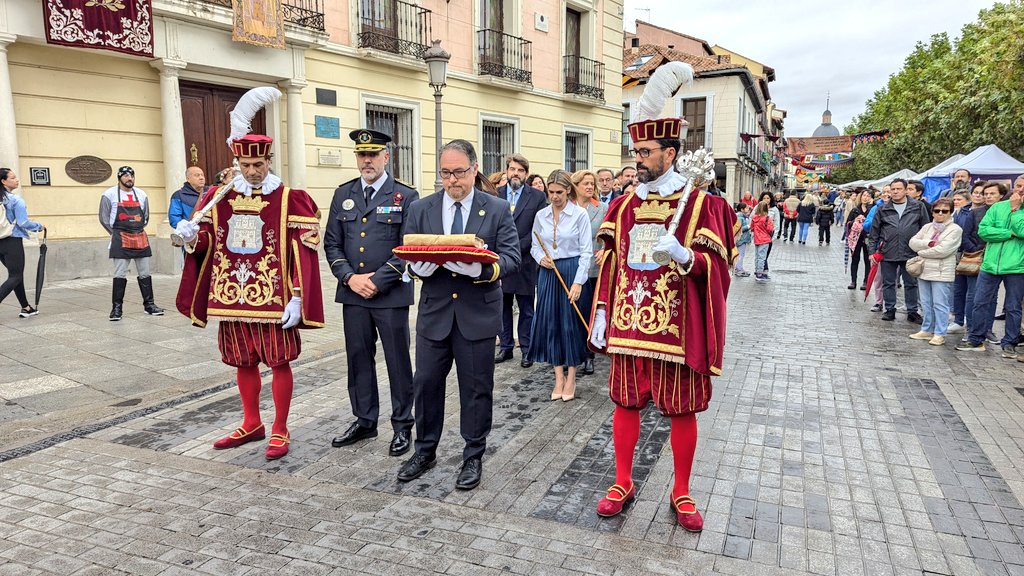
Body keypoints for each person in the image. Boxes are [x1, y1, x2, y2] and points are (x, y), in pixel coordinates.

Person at [590, 62, 737, 532]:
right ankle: (622, 481)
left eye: (647, 151)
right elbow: (611, 263)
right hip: (631, 329)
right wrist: (600, 312)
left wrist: (688, 257)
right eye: (635, 150)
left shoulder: (704, 205)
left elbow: (719, 269)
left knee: (682, 411)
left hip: (678, 330)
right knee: (625, 405)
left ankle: (682, 490)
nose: (638, 158)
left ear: (671, 153)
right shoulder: (623, 204)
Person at [174, 118, 325, 460]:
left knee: (279, 362)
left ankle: (281, 427)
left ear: (269, 160)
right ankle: (252, 422)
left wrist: (298, 296)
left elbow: (302, 249)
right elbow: (209, 244)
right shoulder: (218, 198)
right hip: (232, 297)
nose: (252, 171)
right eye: (245, 165)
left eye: (258, 164)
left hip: (273, 299)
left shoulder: (288, 198)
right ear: (236, 164)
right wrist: (192, 238)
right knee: (243, 362)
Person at [397, 139, 521, 491]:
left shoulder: (496, 209)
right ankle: (424, 450)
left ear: (474, 168)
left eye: (459, 172)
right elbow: (409, 249)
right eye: (445, 173)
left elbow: (512, 258)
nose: (452, 180)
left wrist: (479, 271)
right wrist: (416, 269)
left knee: (477, 387)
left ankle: (473, 454)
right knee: (426, 385)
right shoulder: (422, 208)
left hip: (476, 314)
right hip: (435, 313)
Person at [324, 128, 419, 457]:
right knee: (358, 359)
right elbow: (332, 243)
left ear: (386, 157)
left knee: (397, 361)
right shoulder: (343, 194)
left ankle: (403, 424)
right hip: (353, 295)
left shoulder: (405, 196)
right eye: (361, 155)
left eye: (373, 154)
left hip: (389, 295)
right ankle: (365, 420)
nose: (366, 160)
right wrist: (350, 278)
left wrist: (377, 280)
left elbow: (408, 248)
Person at [527, 170, 592, 401]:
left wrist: (578, 282)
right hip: (548, 273)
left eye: (559, 192)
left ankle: (572, 377)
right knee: (551, 324)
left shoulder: (579, 214)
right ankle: (558, 378)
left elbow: (587, 251)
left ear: (568, 191)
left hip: (571, 270)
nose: (554, 197)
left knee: (570, 324)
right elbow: (535, 245)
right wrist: (539, 258)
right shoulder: (541, 215)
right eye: (550, 192)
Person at [956, 181, 1024, 356]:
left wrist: (1015, 211)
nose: (1020, 190)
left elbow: (1022, 231)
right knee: (979, 302)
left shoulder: (1015, 208)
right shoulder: (997, 207)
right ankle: (976, 339)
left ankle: (1009, 343)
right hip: (989, 263)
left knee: (1013, 306)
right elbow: (984, 231)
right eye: (1018, 186)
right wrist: (1009, 233)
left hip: (1016, 266)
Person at [495, 154, 546, 368]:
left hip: (525, 261)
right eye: (512, 169)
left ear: (526, 173)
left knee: (526, 308)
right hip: (501, 261)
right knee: (502, 306)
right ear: (506, 170)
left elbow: (538, 229)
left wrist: (516, 247)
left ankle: (526, 349)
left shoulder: (536, 197)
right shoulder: (495, 195)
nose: (515, 173)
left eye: (520, 170)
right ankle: (506, 347)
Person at [99, 166, 164, 320]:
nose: (130, 179)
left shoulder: (141, 194)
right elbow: (104, 218)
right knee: (120, 273)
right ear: (119, 177)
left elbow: (146, 216)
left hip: (140, 236)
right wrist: (115, 233)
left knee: (145, 273)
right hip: (120, 237)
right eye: (126, 176)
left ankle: (149, 305)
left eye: (132, 176)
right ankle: (116, 309)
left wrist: (135, 228)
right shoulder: (109, 194)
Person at [868, 178, 930, 323]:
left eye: (898, 189)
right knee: (888, 283)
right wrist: (872, 252)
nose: (895, 192)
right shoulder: (882, 208)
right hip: (888, 251)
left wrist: (923, 249)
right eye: (892, 189)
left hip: (910, 252)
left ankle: (912, 311)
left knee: (911, 283)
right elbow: (874, 232)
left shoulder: (918, 206)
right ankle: (889, 309)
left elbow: (926, 228)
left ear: (905, 190)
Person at [907, 198, 962, 346]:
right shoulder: (927, 227)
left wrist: (922, 252)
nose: (940, 214)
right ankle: (927, 329)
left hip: (941, 271)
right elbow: (912, 242)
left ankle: (940, 332)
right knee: (926, 302)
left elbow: (944, 250)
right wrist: (928, 244)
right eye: (937, 210)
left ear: (950, 212)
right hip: (924, 270)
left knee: (940, 304)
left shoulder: (955, 229)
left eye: (945, 211)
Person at [572, 169, 609, 376]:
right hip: (573, 267)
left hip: (594, 268)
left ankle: (589, 355)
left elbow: (610, 236)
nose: (589, 187)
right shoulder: (569, 207)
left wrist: (605, 250)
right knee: (574, 312)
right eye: (585, 183)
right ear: (575, 186)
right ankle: (573, 351)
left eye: (591, 183)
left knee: (590, 312)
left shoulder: (602, 208)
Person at [0, 168, 44, 317]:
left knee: (15, 274)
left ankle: (25, 307)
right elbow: (23, 222)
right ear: (3, 181)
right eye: (12, 178)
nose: (17, 180)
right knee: (16, 276)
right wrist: (39, 226)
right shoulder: (16, 200)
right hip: (12, 241)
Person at [949, 183, 988, 334]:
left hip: (979, 255)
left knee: (973, 293)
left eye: (981, 193)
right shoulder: (961, 211)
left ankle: (971, 324)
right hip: (961, 254)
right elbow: (959, 232)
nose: (978, 195)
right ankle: (958, 320)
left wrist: (976, 250)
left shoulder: (988, 211)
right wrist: (970, 248)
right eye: (976, 192)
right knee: (958, 289)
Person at [846, 189, 874, 290]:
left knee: (867, 260)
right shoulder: (855, 210)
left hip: (868, 238)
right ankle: (853, 281)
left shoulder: (873, 210)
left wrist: (870, 206)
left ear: (871, 198)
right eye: (864, 195)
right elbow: (848, 223)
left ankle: (866, 281)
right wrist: (855, 220)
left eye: (868, 196)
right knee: (855, 259)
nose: (865, 197)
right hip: (856, 238)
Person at [751, 199, 773, 281]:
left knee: (757, 256)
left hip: (757, 239)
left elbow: (752, 228)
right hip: (765, 240)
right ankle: (760, 274)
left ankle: (757, 271)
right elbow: (770, 229)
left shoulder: (754, 218)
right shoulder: (767, 218)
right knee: (762, 257)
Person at [734, 203, 752, 277]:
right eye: (747, 208)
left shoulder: (742, 217)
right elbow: (739, 229)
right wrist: (748, 226)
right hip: (741, 239)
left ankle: (740, 268)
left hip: (742, 239)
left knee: (741, 254)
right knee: (740, 255)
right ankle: (739, 269)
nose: (748, 209)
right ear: (742, 209)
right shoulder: (740, 217)